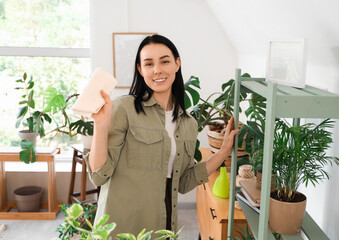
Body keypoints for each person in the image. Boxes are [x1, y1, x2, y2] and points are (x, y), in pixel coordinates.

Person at [85, 34, 238, 238]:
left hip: (162, 224)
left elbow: (183, 182)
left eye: (164, 61)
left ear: (177, 63)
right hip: (119, 226)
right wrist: (100, 125)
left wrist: (224, 152)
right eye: (148, 64)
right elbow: (99, 174)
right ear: (141, 70)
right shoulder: (125, 108)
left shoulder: (189, 124)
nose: (157, 69)